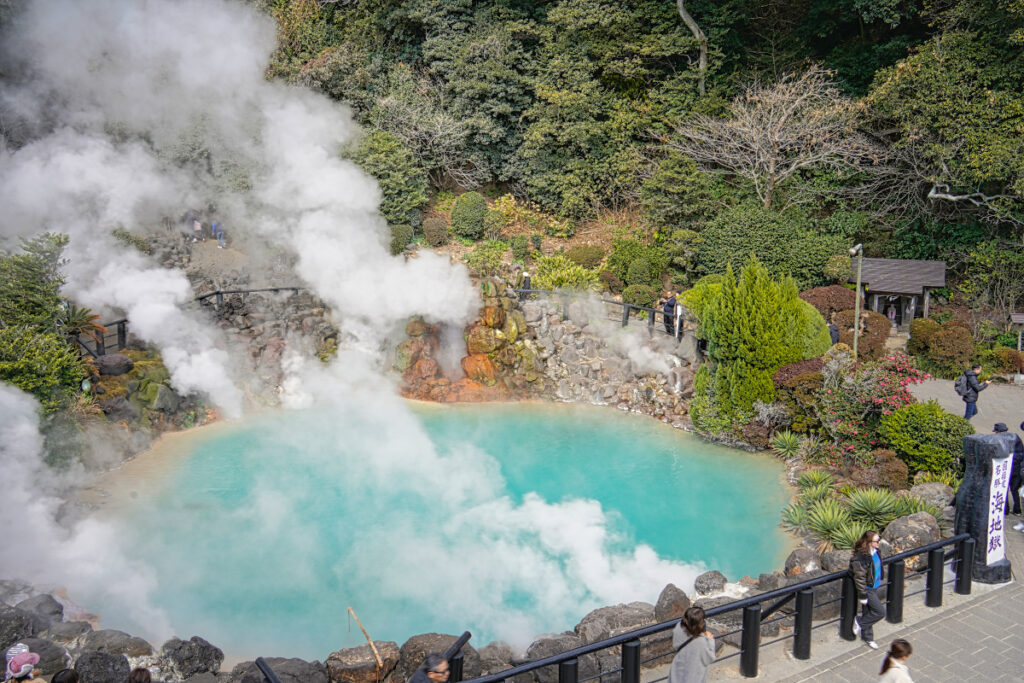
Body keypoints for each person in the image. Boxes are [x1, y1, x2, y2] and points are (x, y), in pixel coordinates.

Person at [849, 530, 885, 649]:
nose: (879, 542)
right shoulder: (860, 558)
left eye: (879, 539)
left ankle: (868, 638)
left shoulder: (876, 552)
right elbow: (859, 578)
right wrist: (863, 595)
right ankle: (859, 622)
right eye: (877, 541)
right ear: (869, 542)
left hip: (875, 586)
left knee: (868, 612)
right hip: (868, 589)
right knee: (880, 612)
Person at [668, 605, 715, 683]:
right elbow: (709, 659)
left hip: (677, 670)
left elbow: (676, 646)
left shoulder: (678, 628)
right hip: (693, 675)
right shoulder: (701, 642)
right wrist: (710, 640)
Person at [993, 423, 1024, 515]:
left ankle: (1005, 510)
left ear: (998, 432)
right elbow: (1021, 453)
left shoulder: (999, 440)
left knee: (1004, 489)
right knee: (1014, 490)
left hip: (1005, 468)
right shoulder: (1015, 437)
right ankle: (1017, 510)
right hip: (1016, 467)